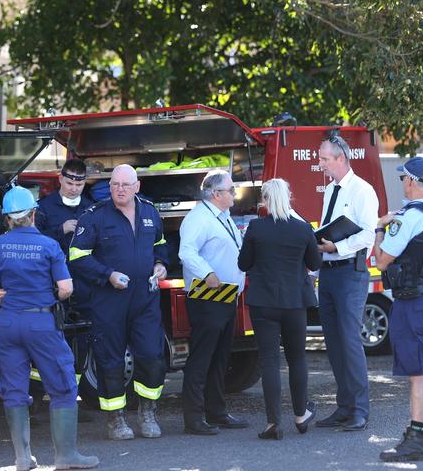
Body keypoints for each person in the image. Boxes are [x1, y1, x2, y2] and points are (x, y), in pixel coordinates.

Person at [0, 186, 98, 470]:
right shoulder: (49, 245)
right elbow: (66, 288)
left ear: (8, 219)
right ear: (33, 214)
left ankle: (22, 458)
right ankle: (66, 457)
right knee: (62, 386)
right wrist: (55, 295)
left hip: (8, 322)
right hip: (40, 321)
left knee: (14, 389)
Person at [68, 164, 168, 440]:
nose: (120, 189)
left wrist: (161, 264)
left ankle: (147, 412)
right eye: (115, 184)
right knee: (110, 360)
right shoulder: (95, 216)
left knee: (151, 355)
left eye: (125, 184)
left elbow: (160, 244)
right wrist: (107, 274)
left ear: (137, 187)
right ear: (109, 186)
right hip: (109, 299)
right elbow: (76, 256)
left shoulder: (149, 211)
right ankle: (115, 420)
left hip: (145, 299)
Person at [374, 158, 423, 462]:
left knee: (418, 372)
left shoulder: (408, 217)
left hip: (412, 302)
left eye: (402, 180)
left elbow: (382, 261)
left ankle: (416, 437)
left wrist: (380, 228)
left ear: (409, 181)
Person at [238, 179, 322, 440]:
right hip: (294, 302)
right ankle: (300, 415)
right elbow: (314, 261)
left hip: (263, 302)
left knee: (269, 361)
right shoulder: (302, 228)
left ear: (265, 200)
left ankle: (273, 423)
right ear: (288, 198)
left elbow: (243, 264)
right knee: (297, 359)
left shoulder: (255, 228)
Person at [315, 135, 378, 431]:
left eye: (325, 159)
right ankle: (344, 408)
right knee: (334, 342)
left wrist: (336, 248)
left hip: (350, 273)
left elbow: (368, 235)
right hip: (328, 273)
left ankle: (359, 410)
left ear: (341, 158)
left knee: (350, 341)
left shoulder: (363, 190)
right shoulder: (330, 190)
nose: (321, 163)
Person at [178, 170, 248, 436]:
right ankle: (194, 419)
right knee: (202, 358)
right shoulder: (198, 219)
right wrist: (207, 273)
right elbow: (186, 252)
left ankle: (216, 412)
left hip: (226, 296)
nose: (234, 193)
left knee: (220, 358)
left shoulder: (224, 217)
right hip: (207, 297)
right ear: (216, 194)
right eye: (231, 189)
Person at [36, 158, 94, 382]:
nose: (73, 189)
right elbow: (35, 242)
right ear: (60, 179)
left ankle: (73, 394)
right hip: (52, 287)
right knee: (50, 341)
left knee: (81, 342)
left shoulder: (90, 209)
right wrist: (60, 229)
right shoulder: (44, 208)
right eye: (70, 183)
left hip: (83, 286)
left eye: (79, 185)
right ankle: (46, 395)